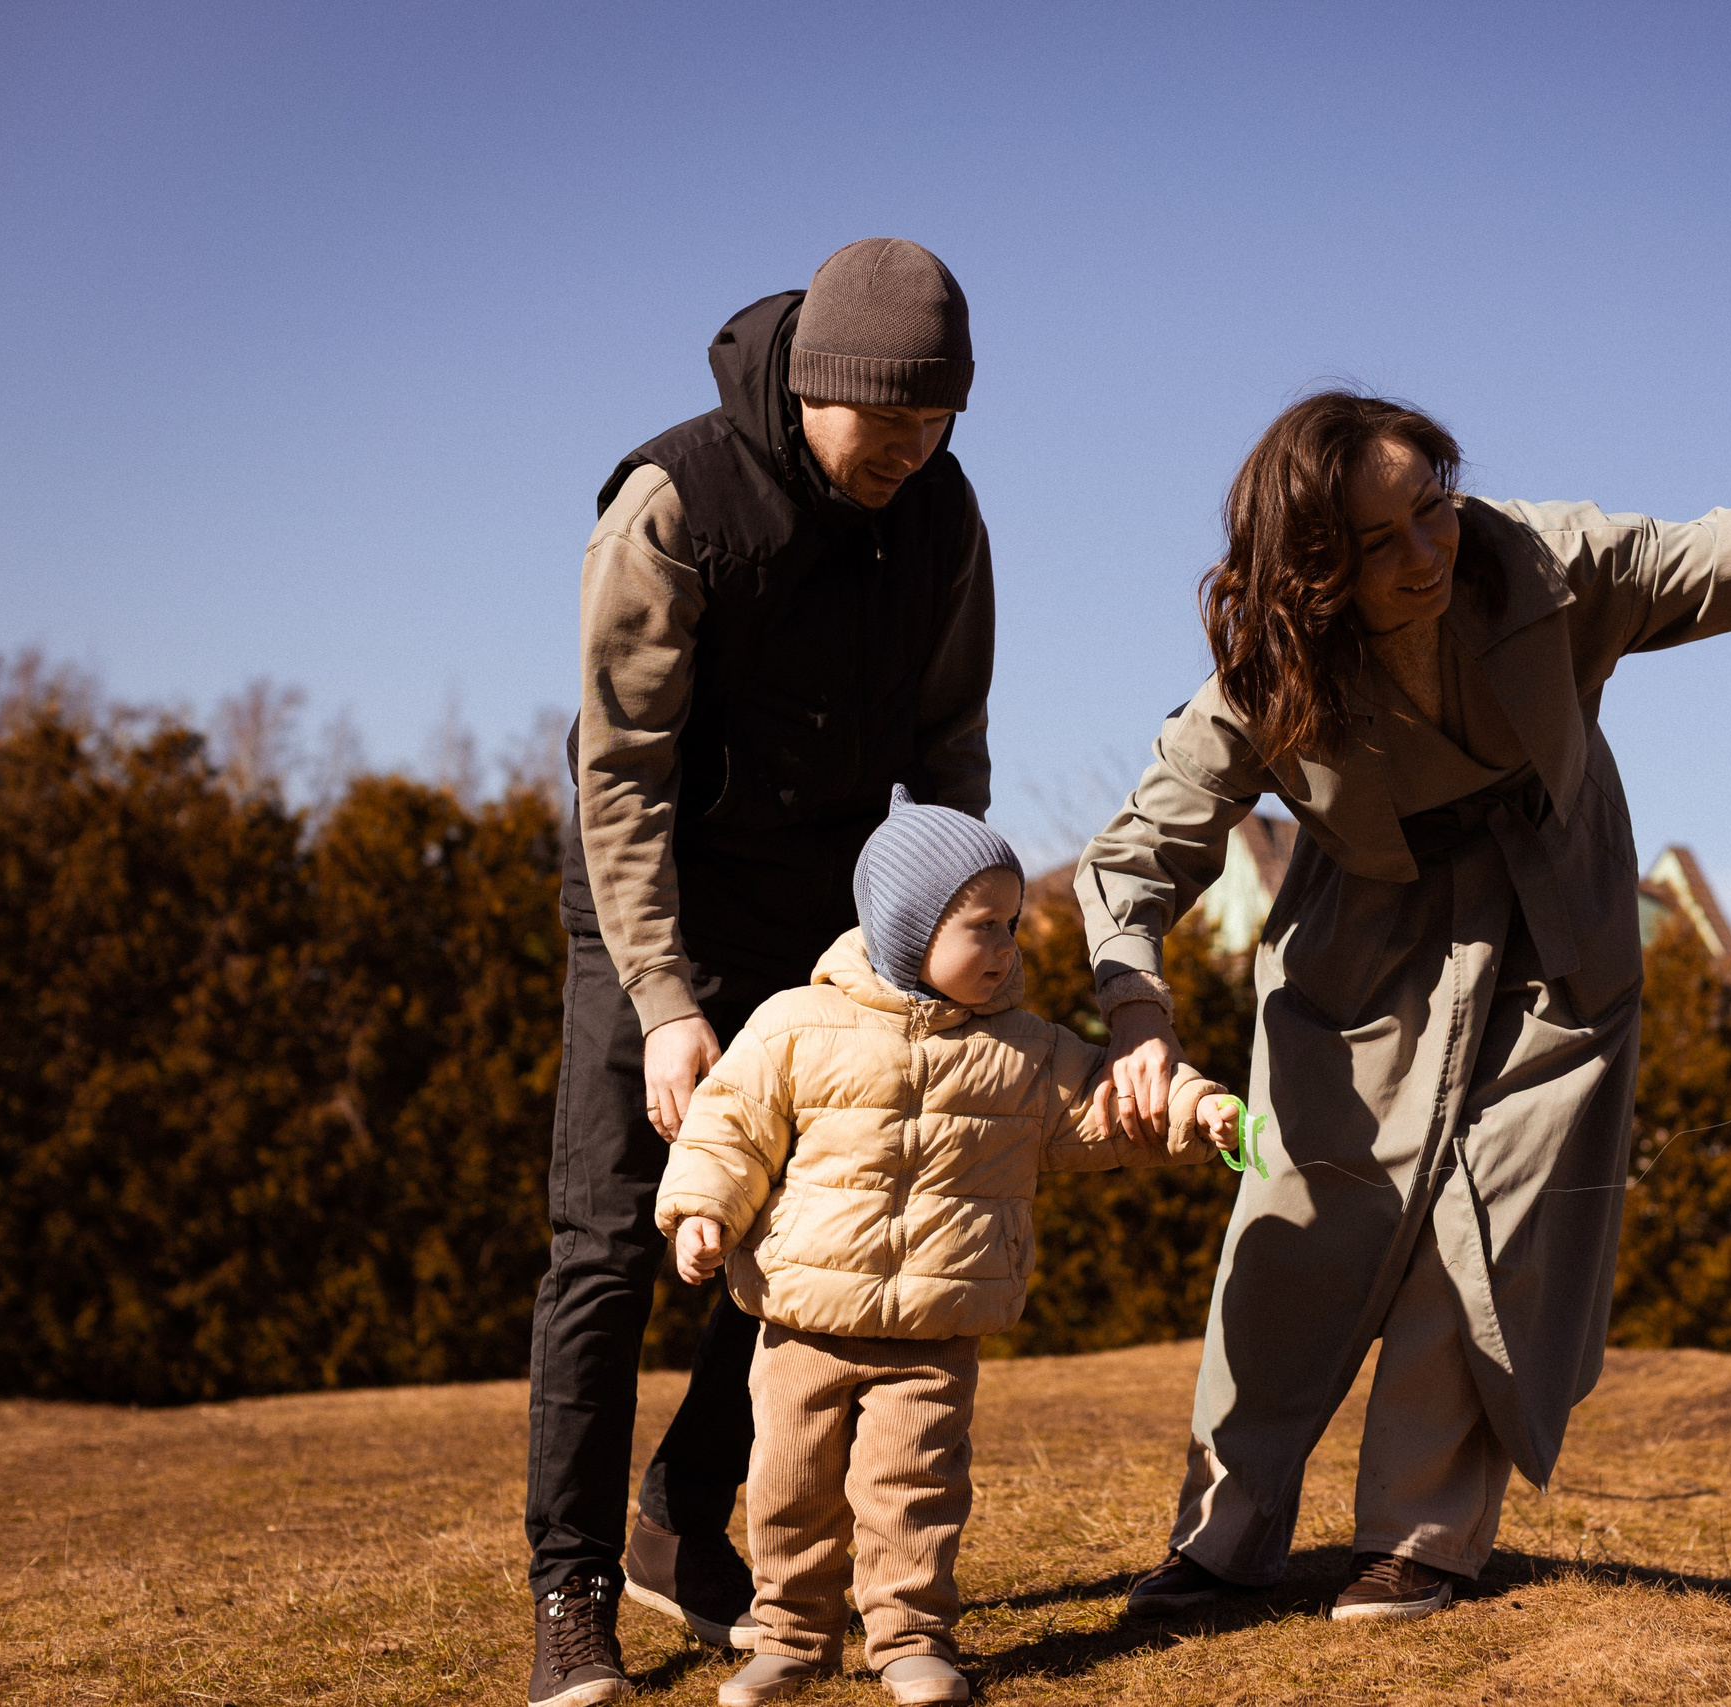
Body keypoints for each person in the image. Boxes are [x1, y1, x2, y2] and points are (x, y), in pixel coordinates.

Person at [1081, 390, 1731, 1623]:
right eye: (1378, 542)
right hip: (1361, 953)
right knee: (1299, 1226)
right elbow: (1136, 854)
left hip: (1552, 934)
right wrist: (1137, 1010)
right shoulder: (1267, 673)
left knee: (1489, 1232)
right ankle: (1219, 1538)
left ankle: (1421, 1539)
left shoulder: (1550, 567)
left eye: (1434, 510)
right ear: (1311, 570)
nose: (1424, 553)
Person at [527, 240, 995, 1707]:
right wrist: (668, 1003)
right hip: (650, 900)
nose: (911, 451)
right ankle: (573, 1584)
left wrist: (930, 951)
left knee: (813, 1239)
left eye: (939, 425)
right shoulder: (674, 504)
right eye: (888, 423)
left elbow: (952, 748)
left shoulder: (942, 515)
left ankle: (683, 1508)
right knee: (610, 1242)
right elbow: (623, 778)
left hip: (826, 915)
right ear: (815, 390)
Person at [658, 789, 1241, 1706]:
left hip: (936, 1329)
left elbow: (1110, 1098)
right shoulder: (795, 1027)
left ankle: (910, 1637)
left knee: (913, 1492)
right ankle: (791, 1637)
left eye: (1012, 924)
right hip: (805, 1322)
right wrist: (702, 1211)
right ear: (906, 925)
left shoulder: (1023, 1051)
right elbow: (727, 1126)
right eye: (986, 926)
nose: (1009, 945)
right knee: (787, 1487)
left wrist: (1191, 1107)